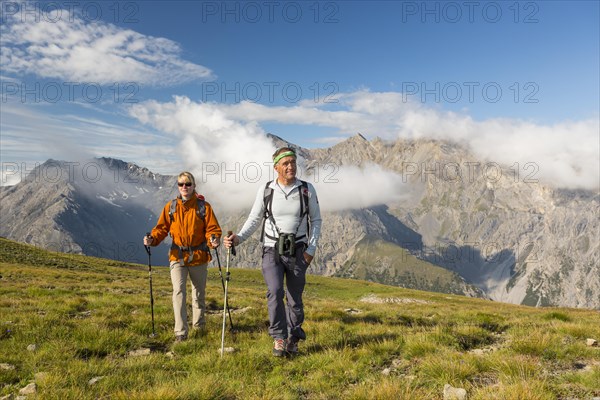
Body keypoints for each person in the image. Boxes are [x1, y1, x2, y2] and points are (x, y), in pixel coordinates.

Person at [224, 147, 322, 357]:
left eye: (293, 162)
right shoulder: (266, 190)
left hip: (298, 250)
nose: (290, 167)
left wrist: (311, 250)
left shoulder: (307, 189)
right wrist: (238, 238)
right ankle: (279, 337)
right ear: (276, 167)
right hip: (271, 249)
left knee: (294, 297)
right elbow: (254, 218)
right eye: (285, 163)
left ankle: (294, 337)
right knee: (275, 291)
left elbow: (316, 220)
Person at [143, 171, 222, 342]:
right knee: (178, 292)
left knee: (198, 293)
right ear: (178, 186)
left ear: (194, 186)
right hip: (177, 255)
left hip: (199, 256)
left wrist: (213, 239)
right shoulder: (171, 207)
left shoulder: (204, 207)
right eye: (181, 184)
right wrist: (153, 239)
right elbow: (161, 228)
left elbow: (212, 229)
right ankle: (180, 332)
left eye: (188, 184)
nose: (184, 187)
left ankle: (199, 327)